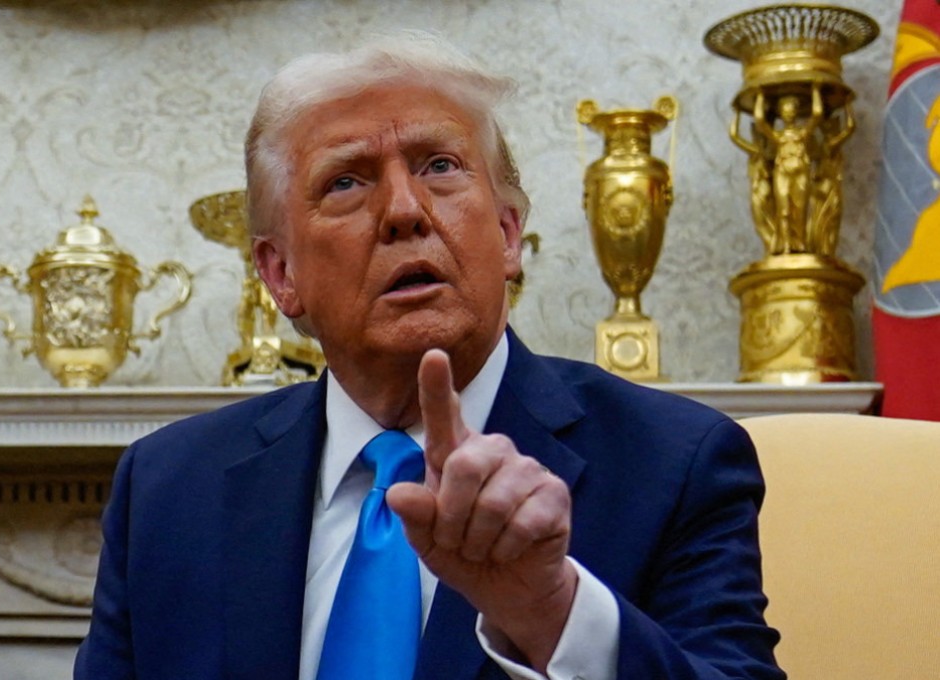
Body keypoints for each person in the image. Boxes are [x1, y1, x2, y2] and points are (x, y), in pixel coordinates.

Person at [75, 32, 784, 680]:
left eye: (440, 166)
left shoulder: (674, 463)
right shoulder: (167, 490)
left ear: (508, 235)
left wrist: (551, 611)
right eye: (346, 181)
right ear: (280, 275)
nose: (405, 210)